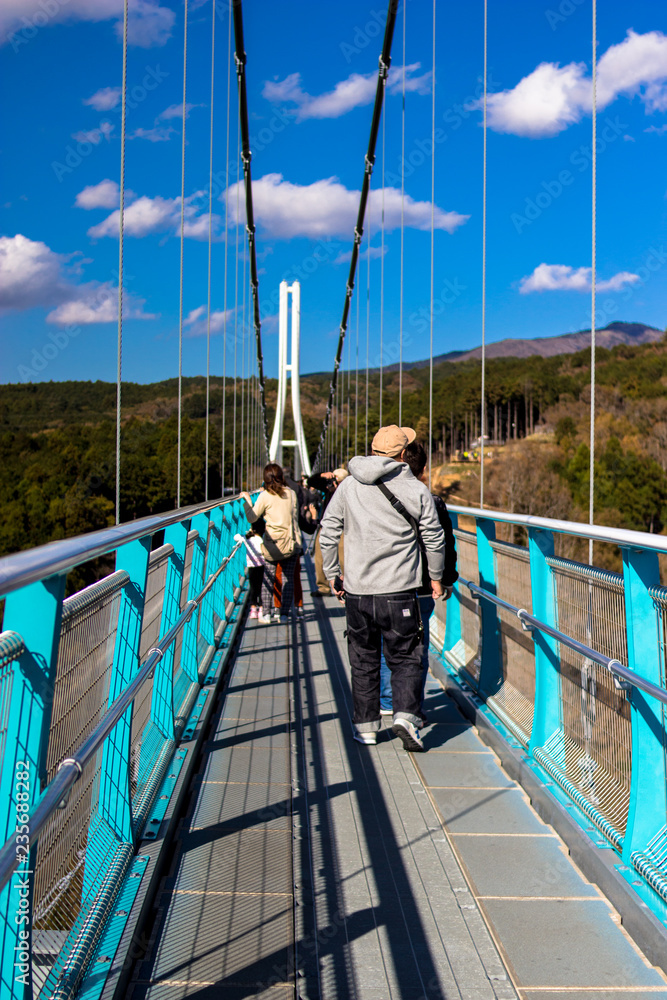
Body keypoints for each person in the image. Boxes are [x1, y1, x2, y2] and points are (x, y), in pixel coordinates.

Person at [319, 426, 445, 752]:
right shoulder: (415, 489)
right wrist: (435, 577)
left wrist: (333, 573)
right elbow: (434, 538)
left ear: (372, 450)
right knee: (406, 658)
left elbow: (328, 529)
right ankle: (405, 715)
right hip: (400, 592)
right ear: (404, 455)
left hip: (357, 592)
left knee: (363, 659)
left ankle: (366, 729)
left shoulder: (348, 485)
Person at [379, 440, 457, 717]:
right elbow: (445, 543)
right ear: (423, 471)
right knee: (417, 647)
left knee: (386, 640)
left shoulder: (377, 496)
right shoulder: (433, 502)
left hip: (385, 583)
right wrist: (445, 579)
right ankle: (411, 707)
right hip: (423, 585)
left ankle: (387, 700)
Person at [240, 463, 300, 624]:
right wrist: (299, 543)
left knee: (268, 578)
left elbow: (252, 518)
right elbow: (295, 521)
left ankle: (266, 613)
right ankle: (284, 614)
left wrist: (247, 500)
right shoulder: (291, 494)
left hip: (271, 545)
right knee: (288, 579)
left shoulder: (265, 496)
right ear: (281, 477)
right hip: (289, 543)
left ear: (265, 479)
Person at [308, 468, 347, 596]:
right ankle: (323, 587)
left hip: (343, 528)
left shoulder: (348, 490)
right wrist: (322, 475)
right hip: (325, 526)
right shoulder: (328, 489)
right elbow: (311, 481)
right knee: (319, 557)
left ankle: (346, 585)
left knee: (343, 559)